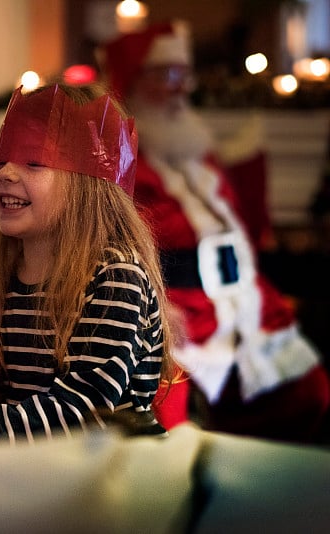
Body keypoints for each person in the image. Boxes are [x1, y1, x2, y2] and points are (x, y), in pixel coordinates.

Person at [0, 82, 175, 449]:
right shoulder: (6, 279)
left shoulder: (116, 277)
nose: (7, 174)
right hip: (38, 471)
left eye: (34, 162)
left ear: (88, 185)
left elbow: (85, 408)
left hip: (121, 477)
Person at [99, 21, 330, 442]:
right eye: (168, 75)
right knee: (173, 424)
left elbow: (235, 228)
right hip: (173, 306)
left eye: (184, 75)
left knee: (305, 391)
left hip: (238, 299)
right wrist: (151, 305)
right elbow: (107, 245)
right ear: (135, 81)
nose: (181, 89)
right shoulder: (117, 162)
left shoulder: (194, 153)